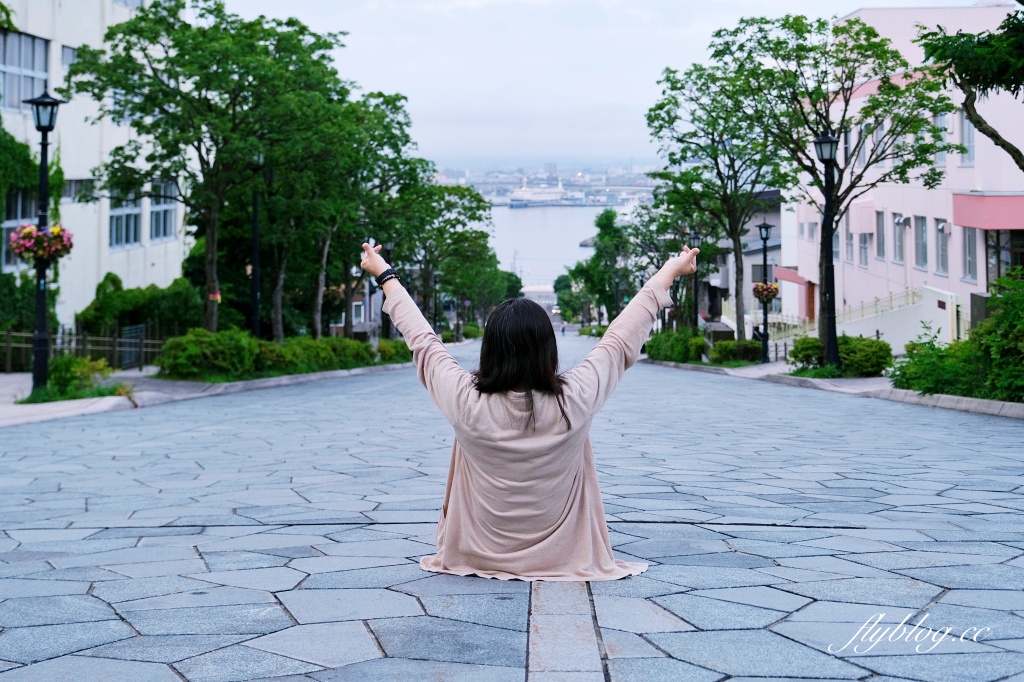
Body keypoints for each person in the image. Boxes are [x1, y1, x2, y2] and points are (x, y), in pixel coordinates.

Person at [361, 241, 699, 581]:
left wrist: (384, 273)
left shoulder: (466, 401)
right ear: (548, 349)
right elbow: (620, 337)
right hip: (567, 558)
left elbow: (423, 340)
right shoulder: (574, 399)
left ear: (489, 349)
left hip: (476, 555)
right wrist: (670, 269)